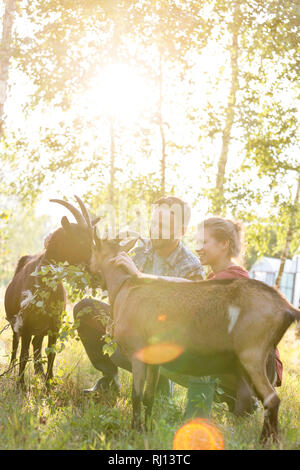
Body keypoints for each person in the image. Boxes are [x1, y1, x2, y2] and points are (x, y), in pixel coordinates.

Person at [73, 196, 204, 394]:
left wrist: (140, 277)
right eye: (153, 223)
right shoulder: (140, 250)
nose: (154, 230)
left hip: (163, 342)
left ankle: (158, 384)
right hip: (129, 329)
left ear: (181, 231)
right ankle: (109, 379)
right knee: (85, 309)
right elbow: (111, 283)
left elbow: (188, 321)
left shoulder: (191, 267)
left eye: (162, 225)